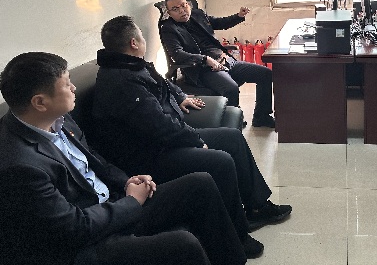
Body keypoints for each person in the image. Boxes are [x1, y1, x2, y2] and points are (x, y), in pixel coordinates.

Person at [0, 52, 248, 265]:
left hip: (111, 204)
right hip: (86, 241)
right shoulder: (20, 165)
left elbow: (96, 161)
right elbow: (74, 228)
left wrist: (127, 181)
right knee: (183, 244)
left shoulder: (59, 120)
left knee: (200, 184)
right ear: (40, 102)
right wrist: (131, 202)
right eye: (66, 85)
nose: (73, 88)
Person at [92, 15, 291, 233]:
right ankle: (238, 228)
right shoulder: (122, 81)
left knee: (233, 138)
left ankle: (257, 206)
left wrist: (180, 96)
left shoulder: (131, 64)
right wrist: (194, 139)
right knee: (221, 160)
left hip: (164, 139)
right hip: (151, 152)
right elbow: (159, 126)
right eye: (141, 36)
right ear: (134, 43)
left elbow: (163, 83)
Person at [160, 0, 275, 128]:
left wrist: (238, 16)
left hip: (226, 61)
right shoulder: (168, 29)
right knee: (231, 89)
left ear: (188, 5)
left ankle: (261, 117)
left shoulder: (198, 14)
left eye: (184, 5)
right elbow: (177, 54)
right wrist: (205, 59)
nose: (182, 11)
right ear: (169, 13)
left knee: (265, 74)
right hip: (203, 69)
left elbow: (220, 23)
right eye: (175, 9)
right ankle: (233, 123)